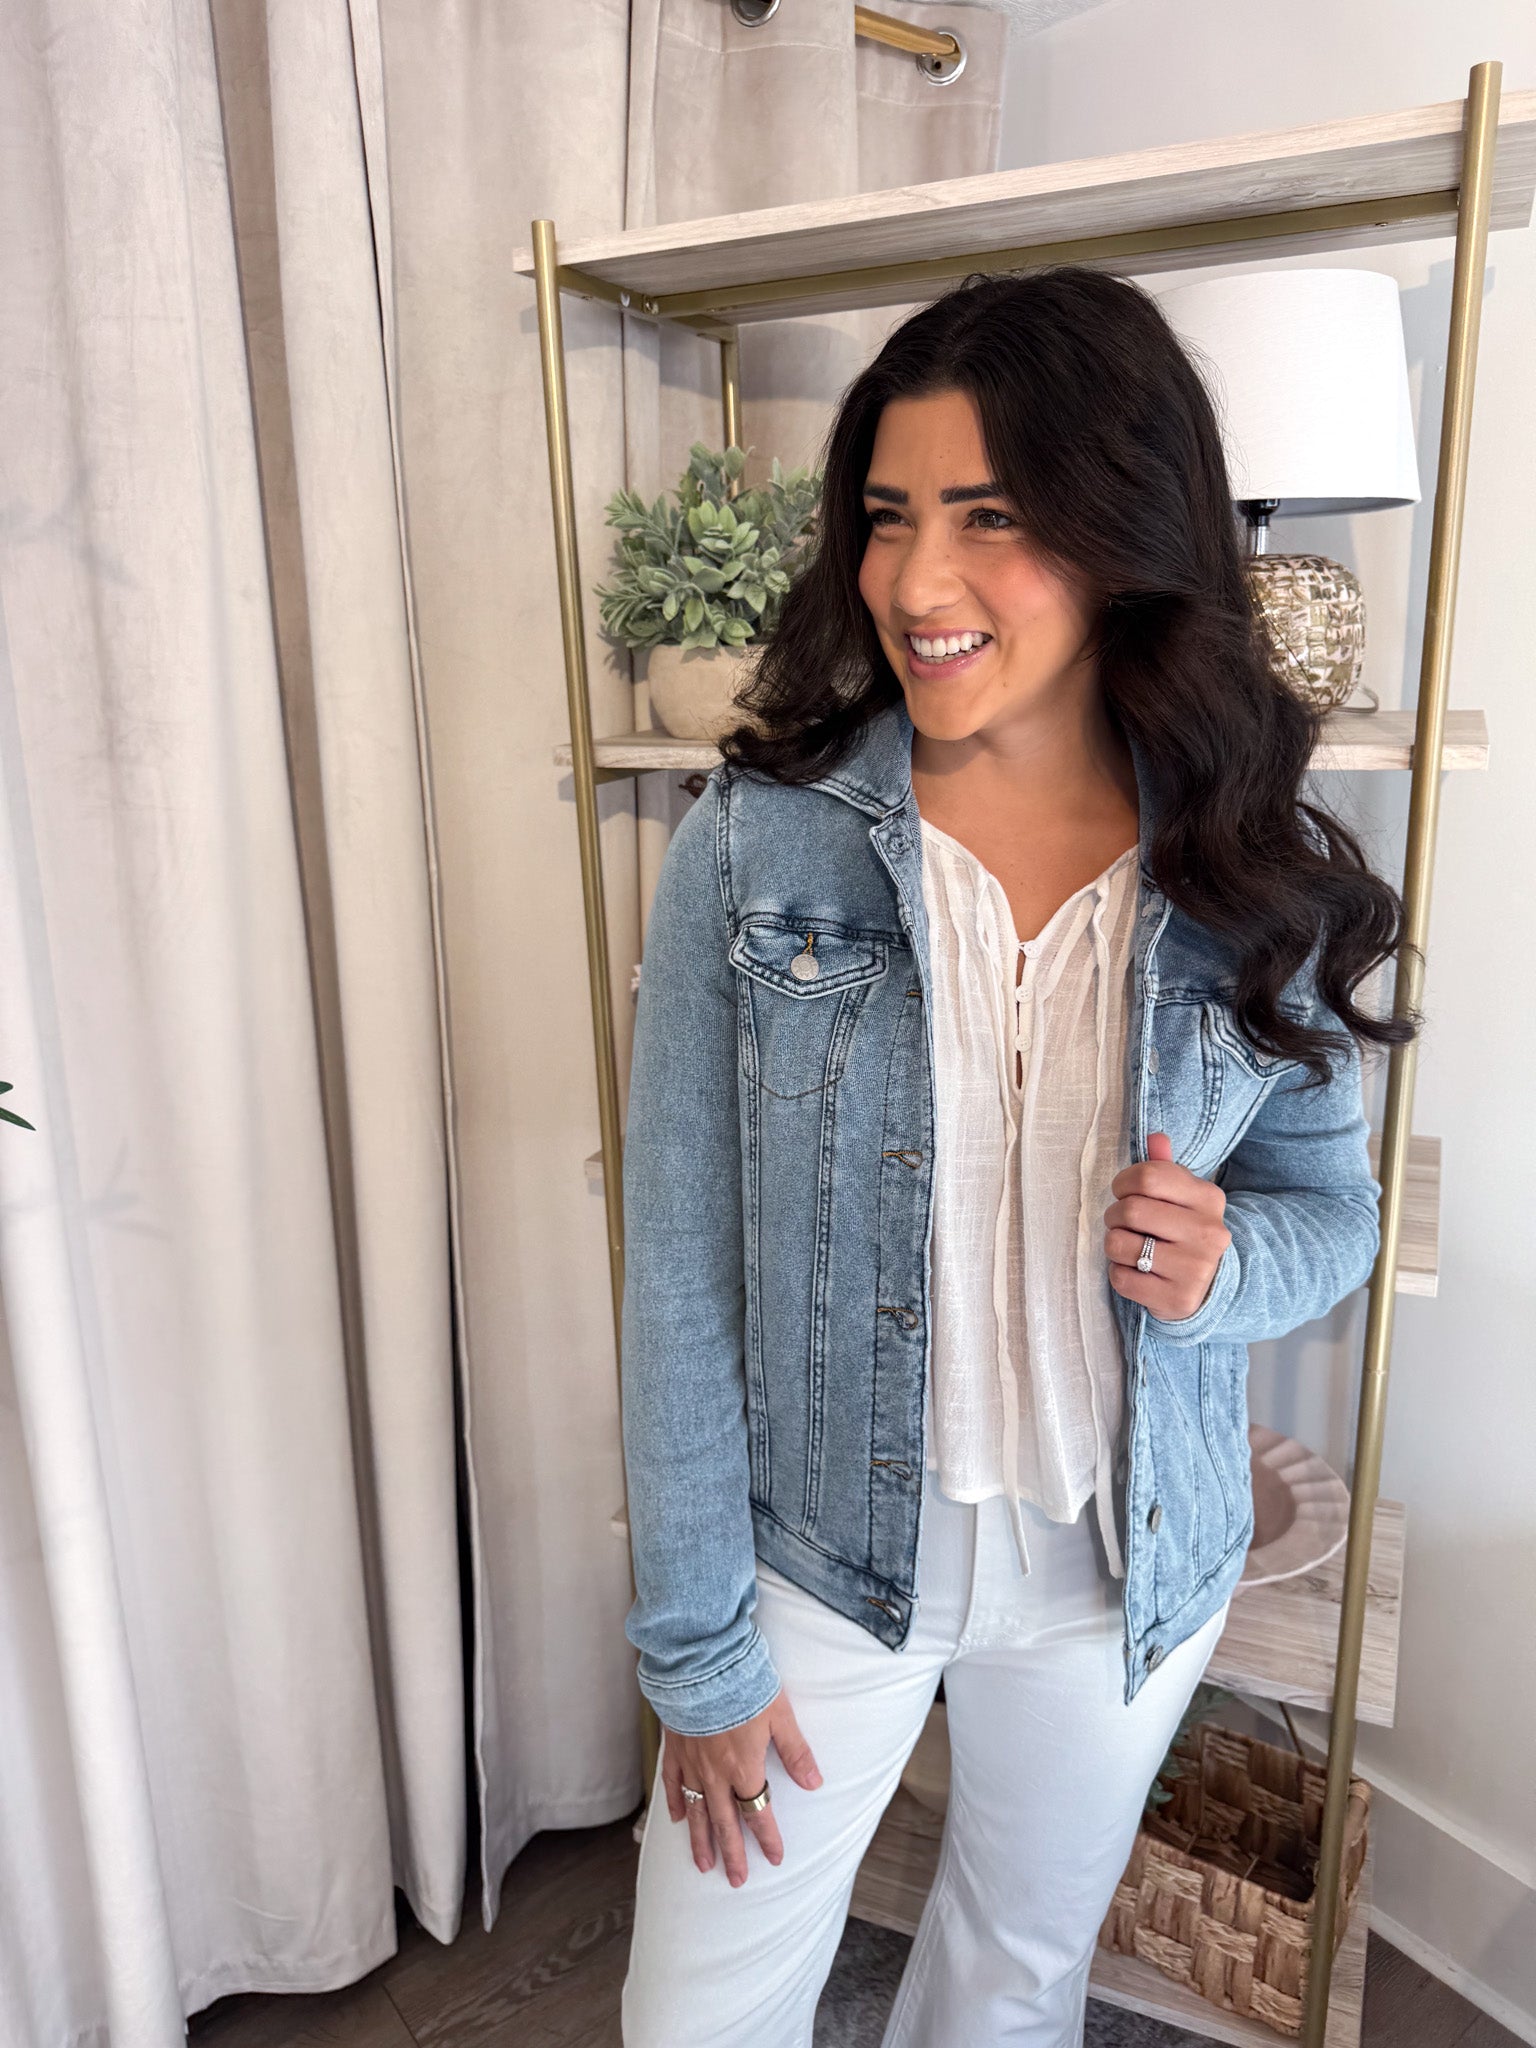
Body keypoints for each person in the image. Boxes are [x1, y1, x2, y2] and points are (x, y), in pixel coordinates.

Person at [616, 267, 1409, 2047]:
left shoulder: (1245, 865)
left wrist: (1227, 1266)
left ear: (1127, 533)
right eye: (889, 517)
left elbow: (1330, 1208)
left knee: (1011, 1986)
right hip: (819, 1565)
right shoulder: (757, 844)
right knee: (698, 2015)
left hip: (1124, 1570)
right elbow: (677, 1269)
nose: (917, 582)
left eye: (991, 518)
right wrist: (697, 1650)